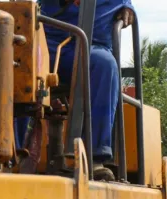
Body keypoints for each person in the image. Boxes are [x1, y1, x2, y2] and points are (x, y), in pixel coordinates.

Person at [22, 0, 135, 180]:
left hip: (93, 49)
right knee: (20, 57)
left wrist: (128, 7)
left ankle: (93, 157)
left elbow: (127, 10)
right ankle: (13, 150)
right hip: (51, 45)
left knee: (105, 64)